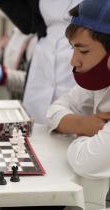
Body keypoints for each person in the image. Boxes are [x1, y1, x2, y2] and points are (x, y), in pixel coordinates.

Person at [46, 0, 110, 178]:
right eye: (73, 49)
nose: (73, 61)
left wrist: (84, 135)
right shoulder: (101, 83)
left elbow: (85, 162)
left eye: (83, 51)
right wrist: (84, 124)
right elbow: (53, 111)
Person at [0, 0, 82, 124]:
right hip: (42, 66)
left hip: (79, 66)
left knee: (75, 132)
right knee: (32, 133)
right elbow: (28, 21)